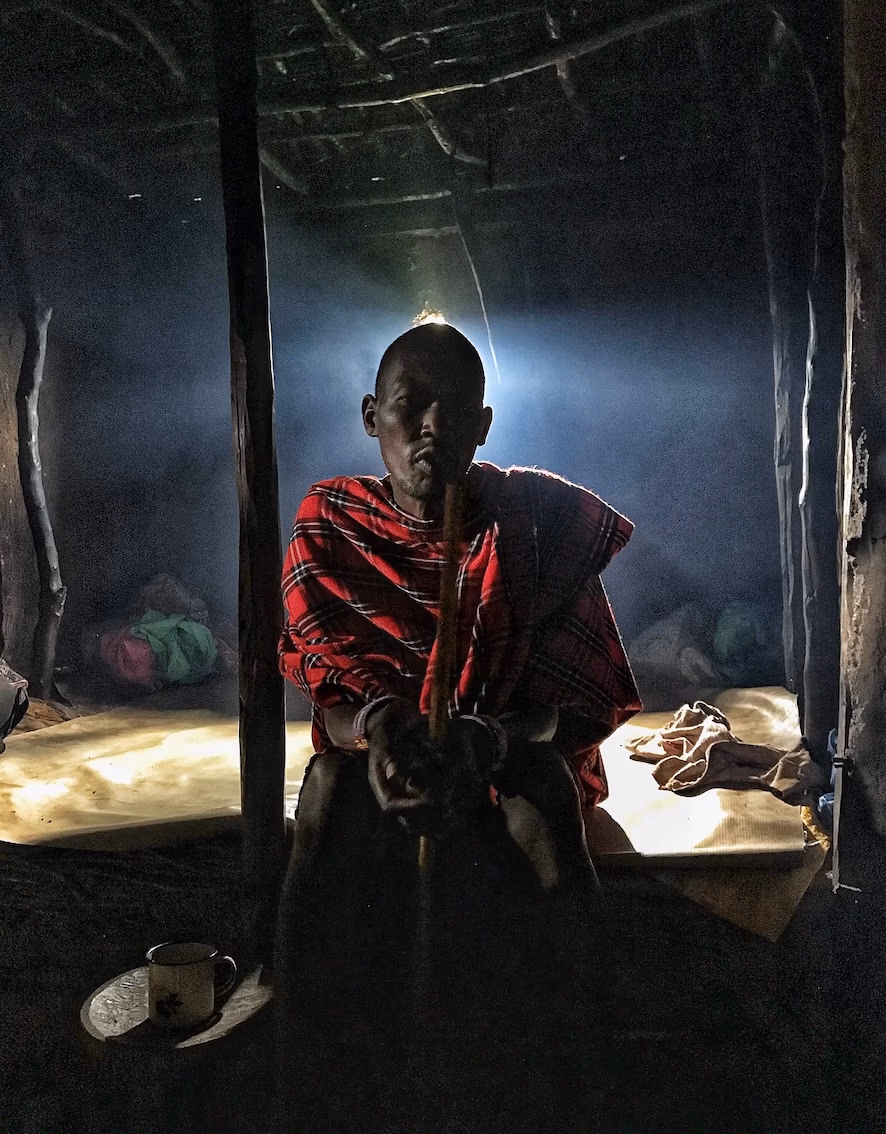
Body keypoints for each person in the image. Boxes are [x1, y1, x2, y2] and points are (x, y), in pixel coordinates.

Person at [275, 323, 641, 1133]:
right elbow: (323, 688)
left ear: (484, 424)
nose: (433, 424)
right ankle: (292, 1061)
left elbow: (580, 706)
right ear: (373, 416)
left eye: (457, 407)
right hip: (385, 758)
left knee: (545, 795)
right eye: (412, 405)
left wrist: (492, 742)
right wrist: (379, 729)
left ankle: (590, 1068)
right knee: (327, 791)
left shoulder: (534, 525)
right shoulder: (329, 522)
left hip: (501, 754)